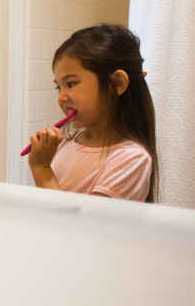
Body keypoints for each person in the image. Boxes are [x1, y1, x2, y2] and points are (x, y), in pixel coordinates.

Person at [28, 24, 158, 202]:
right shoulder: (67, 142)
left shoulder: (131, 159)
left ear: (117, 83)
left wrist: (41, 167)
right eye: (59, 87)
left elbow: (84, 226)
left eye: (71, 84)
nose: (61, 97)